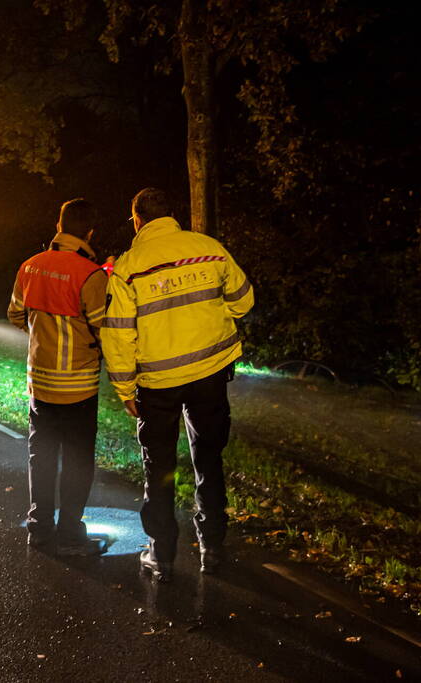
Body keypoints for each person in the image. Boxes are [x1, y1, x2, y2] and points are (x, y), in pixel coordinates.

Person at [101, 188, 254, 580]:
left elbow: (118, 334)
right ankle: (212, 547)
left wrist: (124, 388)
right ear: (171, 214)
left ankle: (162, 554)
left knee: (160, 467)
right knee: (209, 458)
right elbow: (243, 301)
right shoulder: (209, 248)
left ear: (137, 219)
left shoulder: (128, 267)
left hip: (158, 383)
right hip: (209, 373)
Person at [8, 198, 109, 556]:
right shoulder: (90, 274)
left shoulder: (30, 267)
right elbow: (102, 329)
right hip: (78, 385)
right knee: (78, 459)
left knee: (42, 455)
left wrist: (42, 337)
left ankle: (38, 528)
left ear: (59, 225)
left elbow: (16, 315)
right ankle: (69, 534)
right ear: (90, 232)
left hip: (40, 382)